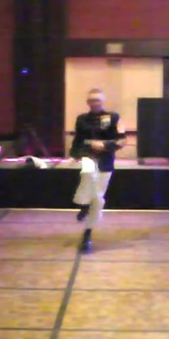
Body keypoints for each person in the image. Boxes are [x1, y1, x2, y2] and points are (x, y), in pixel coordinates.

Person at [70, 89, 127, 253]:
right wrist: (75, 154)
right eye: (91, 100)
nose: (94, 103)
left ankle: (87, 233)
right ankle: (83, 203)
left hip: (106, 160)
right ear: (87, 102)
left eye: (97, 100)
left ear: (102, 101)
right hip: (88, 156)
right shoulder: (82, 119)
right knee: (87, 174)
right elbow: (78, 140)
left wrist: (104, 145)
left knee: (98, 199)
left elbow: (122, 140)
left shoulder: (113, 117)